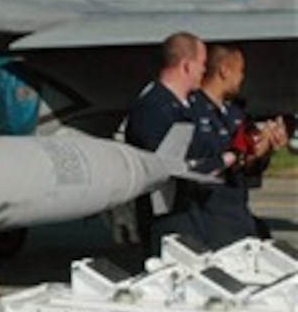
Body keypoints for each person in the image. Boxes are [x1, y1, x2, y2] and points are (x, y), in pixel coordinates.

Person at [185, 43, 288, 248]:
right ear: (225, 70)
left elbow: (246, 164)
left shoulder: (235, 114)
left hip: (236, 214)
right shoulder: (192, 111)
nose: (242, 78)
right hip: (205, 218)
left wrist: (263, 148)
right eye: (240, 71)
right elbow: (199, 162)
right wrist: (239, 154)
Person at [122, 31, 207, 256]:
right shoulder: (154, 108)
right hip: (168, 220)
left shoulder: (184, 106)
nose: (204, 70)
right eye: (202, 64)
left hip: (188, 215)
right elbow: (161, 169)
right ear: (187, 66)